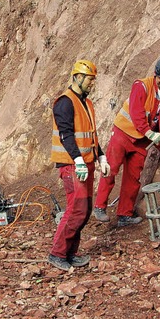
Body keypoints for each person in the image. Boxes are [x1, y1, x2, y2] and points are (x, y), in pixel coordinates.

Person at [93, 57, 160, 227]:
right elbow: (136, 113)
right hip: (123, 133)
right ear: (155, 75)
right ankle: (99, 207)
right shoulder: (141, 86)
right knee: (111, 168)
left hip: (142, 141)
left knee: (133, 178)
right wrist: (149, 132)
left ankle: (124, 215)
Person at [48, 60, 110, 271]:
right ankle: (57, 253)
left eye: (93, 80)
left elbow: (90, 136)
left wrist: (100, 156)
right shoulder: (65, 102)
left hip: (84, 164)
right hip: (72, 166)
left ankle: (70, 253)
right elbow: (66, 135)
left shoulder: (86, 102)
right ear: (77, 77)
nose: (92, 84)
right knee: (77, 210)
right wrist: (78, 160)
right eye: (89, 79)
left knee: (83, 210)